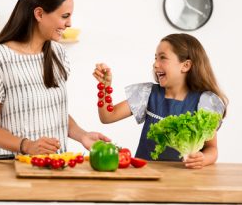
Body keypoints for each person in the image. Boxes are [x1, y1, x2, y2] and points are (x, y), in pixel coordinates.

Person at [0, 0, 110, 156]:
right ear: (39, 14)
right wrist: (27, 145)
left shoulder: (58, 54)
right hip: (12, 170)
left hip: (54, 165)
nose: (69, 23)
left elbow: (52, 111)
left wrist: (82, 135)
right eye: (64, 16)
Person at [93, 33, 228, 169]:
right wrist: (105, 86)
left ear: (186, 65)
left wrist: (203, 159)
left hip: (185, 179)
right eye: (155, 58)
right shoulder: (148, 94)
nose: (155, 64)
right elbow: (107, 116)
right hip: (146, 176)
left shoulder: (204, 102)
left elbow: (212, 149)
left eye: (162, 58)